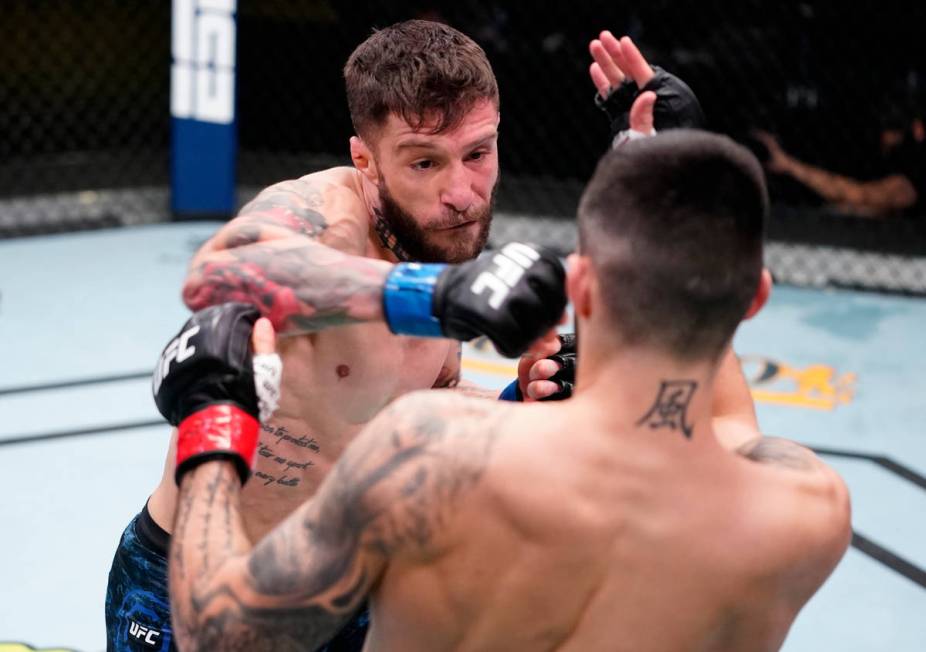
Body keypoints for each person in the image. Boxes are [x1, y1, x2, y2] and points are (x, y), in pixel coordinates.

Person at [105, 20, 746, 650]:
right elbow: (223, 271)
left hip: (352, 596)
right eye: (423, 162)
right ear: (366, 161)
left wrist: (521, 402)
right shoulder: (328, 217)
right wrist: (434, 298)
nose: (461, 193)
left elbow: (409, 409)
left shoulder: (437, 238)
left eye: (478, 153)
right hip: (202, 590)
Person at [159, 131, 852, 651]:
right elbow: (731, 417)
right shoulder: (805, 508)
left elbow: (219, 630)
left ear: (578, 285)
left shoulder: (427, 454)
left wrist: (212, 419)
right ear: (755, 298)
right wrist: (667, 160)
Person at [753, 107, 925, 217]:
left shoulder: (908, 180)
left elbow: (857, 195)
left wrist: (789, 165)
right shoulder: (882, 160)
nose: (885, 141)